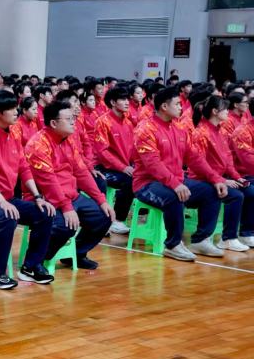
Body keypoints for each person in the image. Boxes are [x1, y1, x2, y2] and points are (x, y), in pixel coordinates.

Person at [0, 90, 58, 288]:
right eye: (12, 109)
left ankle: (31, 267)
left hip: (6, 198)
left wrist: (38, 197)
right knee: (7, 217)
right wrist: (2, 202)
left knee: (45, 213)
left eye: (17, 108)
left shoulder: (14, 132)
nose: (17, 112)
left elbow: (23, 167)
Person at [132, 86, 226, 261]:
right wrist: (175, 184)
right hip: (147, 184)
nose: (181, 107)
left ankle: (200, 240)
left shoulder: (179, 128)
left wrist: (215, 178)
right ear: (164, 106)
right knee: (174, 197)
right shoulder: (145, 129)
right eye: (177, 104)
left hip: (175, 180)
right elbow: (153, 165)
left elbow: (194, 157)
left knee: (212, 191)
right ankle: (173, 245)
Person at [26, 101, 114, 271]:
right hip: (46, 199)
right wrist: (66, 207)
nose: (74, 122)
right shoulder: (38, 144)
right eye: (68, 119)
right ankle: (37, 259)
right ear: (53, 123)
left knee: (104, 216)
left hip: (71, 195)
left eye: (73, 118)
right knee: (65, 226)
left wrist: (101, 200)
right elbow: (49, 182)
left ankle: (76, 253)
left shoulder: (68, 140)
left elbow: (81, 172)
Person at [189, 93, 251, 252]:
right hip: (202, 180)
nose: (227, 112)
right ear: (215, 111)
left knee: (249, 191)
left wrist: (237, 177)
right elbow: (199, 165)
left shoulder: (222, 131)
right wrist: (222, 180)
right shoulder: (201, 133)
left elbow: (228, 160)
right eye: (225, 109)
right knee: (236, 196)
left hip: (219, 178)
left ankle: (244, 234)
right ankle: (227, 238)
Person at [93, 87, 137, 235]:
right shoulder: (102, 122)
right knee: (129, 182)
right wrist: (123, 168)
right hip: (102, 167)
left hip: (122, 166)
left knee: (140, 178)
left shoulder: (128, 123)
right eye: (123, 100)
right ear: (112, 102)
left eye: (127, 99)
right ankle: (117, 220)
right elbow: (103, 152)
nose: (127, 103)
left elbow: (132, 150)